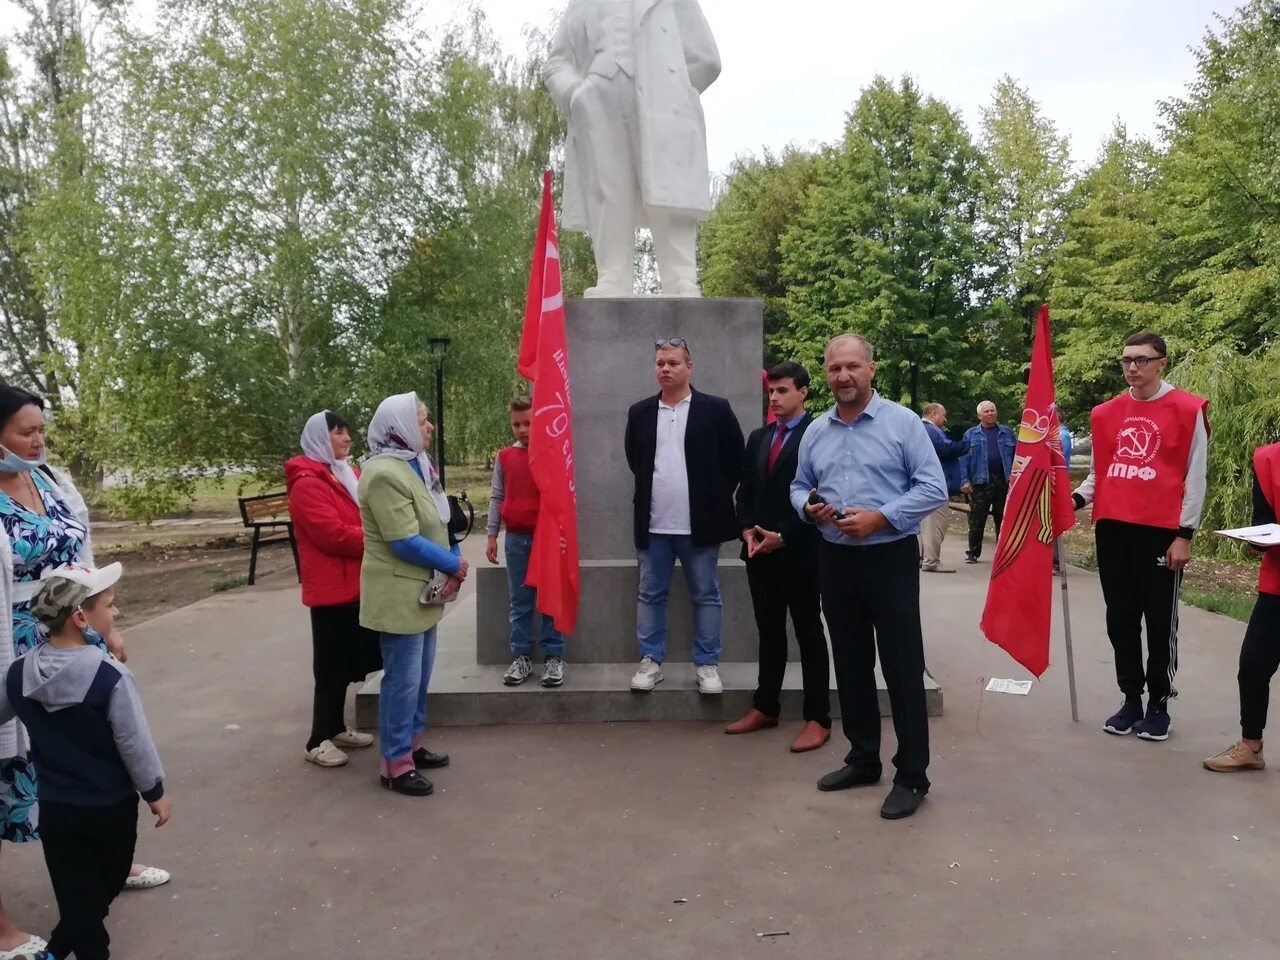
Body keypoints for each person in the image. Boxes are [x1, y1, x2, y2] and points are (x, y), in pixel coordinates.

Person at [0, 387, 167, 959]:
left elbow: (83, 558)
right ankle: (5, 930)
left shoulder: (49, 480)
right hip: (14, 650)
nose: (38, 440)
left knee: (97, 752)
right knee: (16, 773)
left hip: (75, 635)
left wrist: (106, 628)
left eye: (40, 428)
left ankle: (105, 867)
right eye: (26, 431)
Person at [790, 335, 947, 820]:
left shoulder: (902, 423)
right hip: (836, 560)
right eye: (835, 368)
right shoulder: (816, 430)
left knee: (902, 669)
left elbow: (934, 488)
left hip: (889, 559)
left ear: (871, 369)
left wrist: (882, 517)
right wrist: (808, 508)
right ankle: (862, 759)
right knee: (852, 666)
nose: (843, 376)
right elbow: (798, 486)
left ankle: (912, 776)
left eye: (852, 366)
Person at [1, 563, 169, 960]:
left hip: (56, 807)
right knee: (107, 881)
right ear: (80, 617)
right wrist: (155, 792)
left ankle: (57, 949)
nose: (115, 613)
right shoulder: (110, 677)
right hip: (110, 806)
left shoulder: (20, 672)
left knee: (74, 888)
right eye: (109, 606)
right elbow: (134, 744)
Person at [1072, 332, 1208, 742]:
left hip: (1160, 532)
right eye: (1127, 359)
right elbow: (1101, 472)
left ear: (1162, 362)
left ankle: (1159, 704)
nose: (1133, 367)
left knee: (1159, 619)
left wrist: (1184, 535)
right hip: (1114, 529)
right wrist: (1073, 501)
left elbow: (1196, 477)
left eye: (1142, 360)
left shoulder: (1187, 409)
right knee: (1121, 619)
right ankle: (1131, 698)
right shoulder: (1105, 413)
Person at [543, 0, 720, 296]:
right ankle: (613, 275)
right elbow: (556, 63)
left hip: (662, 102)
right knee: (607, 188)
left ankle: (679, 275)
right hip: (598, 100)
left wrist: (674, 90)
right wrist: (575, 93)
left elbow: (706, 59)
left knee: (668, 185)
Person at [358, 393, 465, 797]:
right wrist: (453, 565)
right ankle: (394, 763)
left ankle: (411, 746)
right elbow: (402, 539)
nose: (430, 426)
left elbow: (441, 519)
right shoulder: (384, 473)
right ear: (399, 428)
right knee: (401, 681)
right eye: (422, 420)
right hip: (399, 589)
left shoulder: (416, 464)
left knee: (418, 679)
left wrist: (452, 556)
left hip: (423, 590)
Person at [624, 337, 744, 694]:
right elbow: (636, 460)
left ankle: (707, 665)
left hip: (700, 527)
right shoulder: (640, 412)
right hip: (654, 525)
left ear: (689, 367)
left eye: (673, 363)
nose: (665, 369)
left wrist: (713, 497)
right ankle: (650, 661)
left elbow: (735, 459)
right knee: (650, 594)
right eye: (660, 363)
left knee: (706, 594)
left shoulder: (716, 409)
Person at [725, 361, 830, 752]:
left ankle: (817, 717)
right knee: (768, 632)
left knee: (808, 633)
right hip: (758, 552)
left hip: (800, 552)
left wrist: (784, 535)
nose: (774, 397)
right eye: (771, 391)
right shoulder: (759, 436)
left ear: (803, 392)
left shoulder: (820, 434)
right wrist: (747, 528)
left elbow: (822, 494)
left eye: (783, 390)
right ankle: (765, 706)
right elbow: (746, 491)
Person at [285, 410, 382, 769]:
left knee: (347, 662)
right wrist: (380, 538)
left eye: (346, 432)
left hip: (354, 583)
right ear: (319, 439)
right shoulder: (308, 484)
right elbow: (333, 535)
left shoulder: (345, 474)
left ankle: (337, 727)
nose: (346, 439)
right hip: (330, 589)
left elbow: (365, 515)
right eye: (338, 433)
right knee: (328, 666)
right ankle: (316, 739)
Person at [1204, 442, 1280, 772]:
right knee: (1252, 666)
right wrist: (1255, 540)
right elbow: (1263, 519)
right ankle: (1251, 745)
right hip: (1277, 584)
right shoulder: (1267, 459)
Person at [486, 396, 566, 688]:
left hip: (547, 539)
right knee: (520, 603)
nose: (522, 429)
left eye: (528, 423)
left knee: (549, 600)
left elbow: (562, 496)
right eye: (516, 424)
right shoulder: (505, 457)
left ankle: (554, 657)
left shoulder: (551, 454)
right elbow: (496, 497)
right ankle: (521, 657)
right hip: (517, 539)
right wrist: (492, 534)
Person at [959, 400, 1015, 564]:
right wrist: (965, 480)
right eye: (986, 411)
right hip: (980, 481)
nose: (990, 413)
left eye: (992, 410)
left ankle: (1003, 552)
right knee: (977, 518)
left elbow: (1017, 455)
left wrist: (1015, 475)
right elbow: (964, 460)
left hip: (1003, 481)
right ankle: (973, 552)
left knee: (1003, 518)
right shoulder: (971, 434)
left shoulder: (1007, 433)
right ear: (979, 415)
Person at [918, 403, 967, 573]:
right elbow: (945, 448)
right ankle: (931, 561)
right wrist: (965, 446)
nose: (945, 419)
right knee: (935, 524)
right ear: (933, 414)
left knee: (925, 524)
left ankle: (923, 557)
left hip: (927, 483)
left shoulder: (921, 429)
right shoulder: (930, 430)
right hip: (935, 484)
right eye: (943, 415)